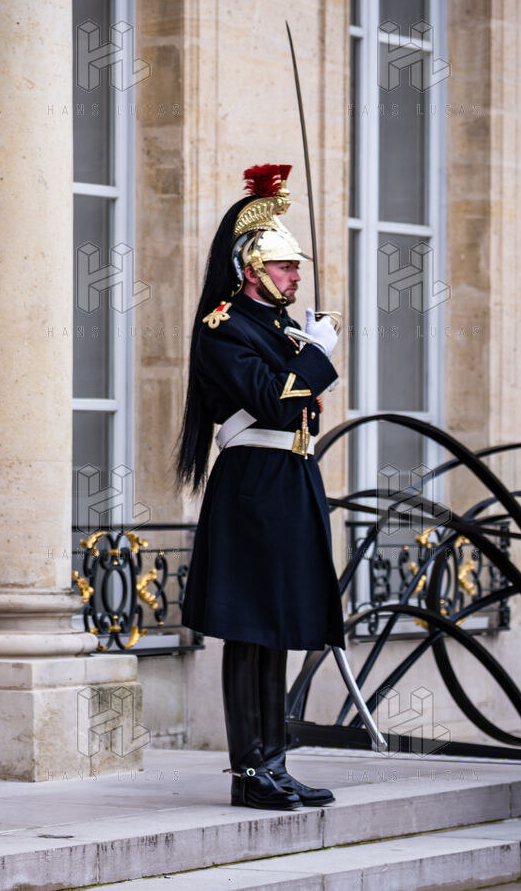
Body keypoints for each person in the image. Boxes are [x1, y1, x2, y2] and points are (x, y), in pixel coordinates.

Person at [175, 164, 343, 810]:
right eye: (284, 266)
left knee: (278, 626)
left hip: (290, 480)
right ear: (251, 268)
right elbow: (274, 403)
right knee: (249, 630)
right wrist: (317, 356)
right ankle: (249, 771)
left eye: (295, 267)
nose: (295, 276)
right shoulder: (223, 327)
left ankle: (275, 761)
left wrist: (307, 351)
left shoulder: (278, 328)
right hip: (252, 486)